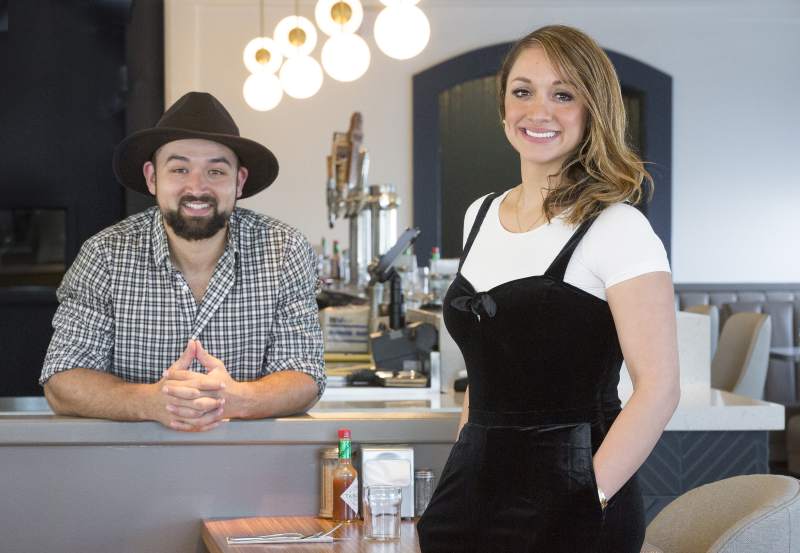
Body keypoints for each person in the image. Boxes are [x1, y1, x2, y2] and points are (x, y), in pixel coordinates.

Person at [416, 25, 680, 552]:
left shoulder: (617, 227)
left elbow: (659, 390)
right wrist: (460, 472)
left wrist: (589, 498)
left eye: (563, 94)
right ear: (503, 107)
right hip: (472, 492)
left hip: (574, 499)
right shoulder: (480, 214)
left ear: (592, 110)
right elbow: (487, 374)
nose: (539, 111)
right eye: (523, 91)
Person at [40, 92, 325, 431]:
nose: (196, 187)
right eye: (179, 168)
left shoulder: (285, 250)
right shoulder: (104, 254)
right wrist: (152, 401)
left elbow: (306, 375)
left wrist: (233, 399)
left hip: (253, 466)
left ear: (239, 181)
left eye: (216, 171)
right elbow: (62, 380)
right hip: (130, 467)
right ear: (151, 177)